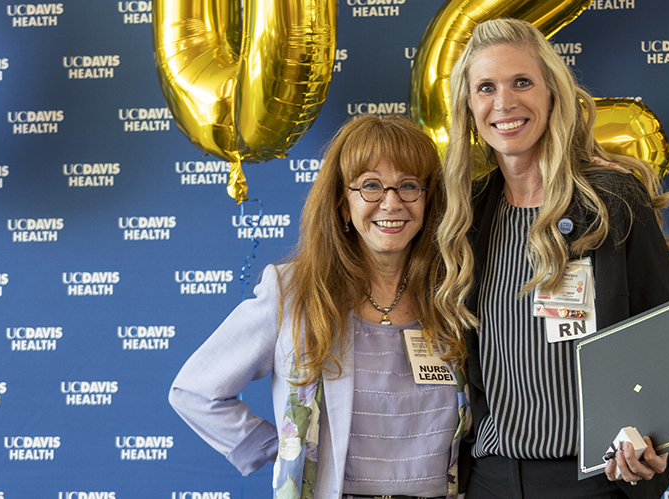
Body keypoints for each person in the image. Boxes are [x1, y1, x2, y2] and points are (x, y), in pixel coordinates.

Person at [434, 18, 669, 499]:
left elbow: (658, 334)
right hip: (491, 478)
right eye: (486, 87)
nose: (504, 103)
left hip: (593, 481)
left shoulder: (612, 200)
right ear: (469, 106)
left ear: (553, 94)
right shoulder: (466, 215)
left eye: (521, 82)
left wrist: (657, 444)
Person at [169, 115, 470, 499]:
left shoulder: (451, 295)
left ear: (429, 202)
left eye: (409, 186)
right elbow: (195, 391)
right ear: (344, 205)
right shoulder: (293, 293)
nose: (391, 202)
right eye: (371, 186)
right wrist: (286, 450)